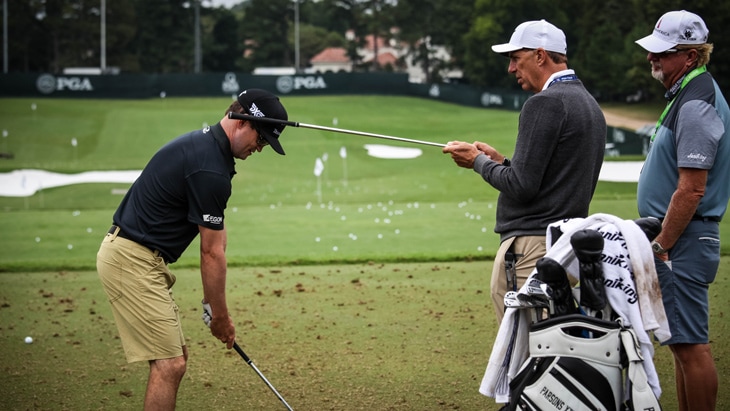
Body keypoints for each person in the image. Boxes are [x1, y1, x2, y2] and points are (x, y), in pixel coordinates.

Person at [96, 88, 288, 410]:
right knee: (170, 365)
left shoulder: (210, 152)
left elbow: (218, 236)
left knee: (174, 359)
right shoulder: (210, 168)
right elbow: (211, 252)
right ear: (241, 122)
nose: (261, 147)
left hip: (139, 258)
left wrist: (212, 303)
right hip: (131, 260)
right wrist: (221, 318)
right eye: (262, 138)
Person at [442, 20, 606, 324]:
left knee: (526, 350)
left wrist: (476, 161)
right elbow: (543, 177)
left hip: (531, 247)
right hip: (563, 246)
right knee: (549, 341)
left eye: (516, 58)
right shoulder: (588, 103)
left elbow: (521, 186)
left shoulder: (544, 103)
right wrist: (500, 162)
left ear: (540, 56)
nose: (511, 69)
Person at [636, 10, 729, 411]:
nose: (651, 59)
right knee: (680, 346)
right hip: (682, 238)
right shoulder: (689, 94)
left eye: (662, 53)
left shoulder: (696, 101)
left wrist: (661, 245)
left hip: (682, 240)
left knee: (692, 347)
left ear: (690, 56)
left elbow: (691, 190)